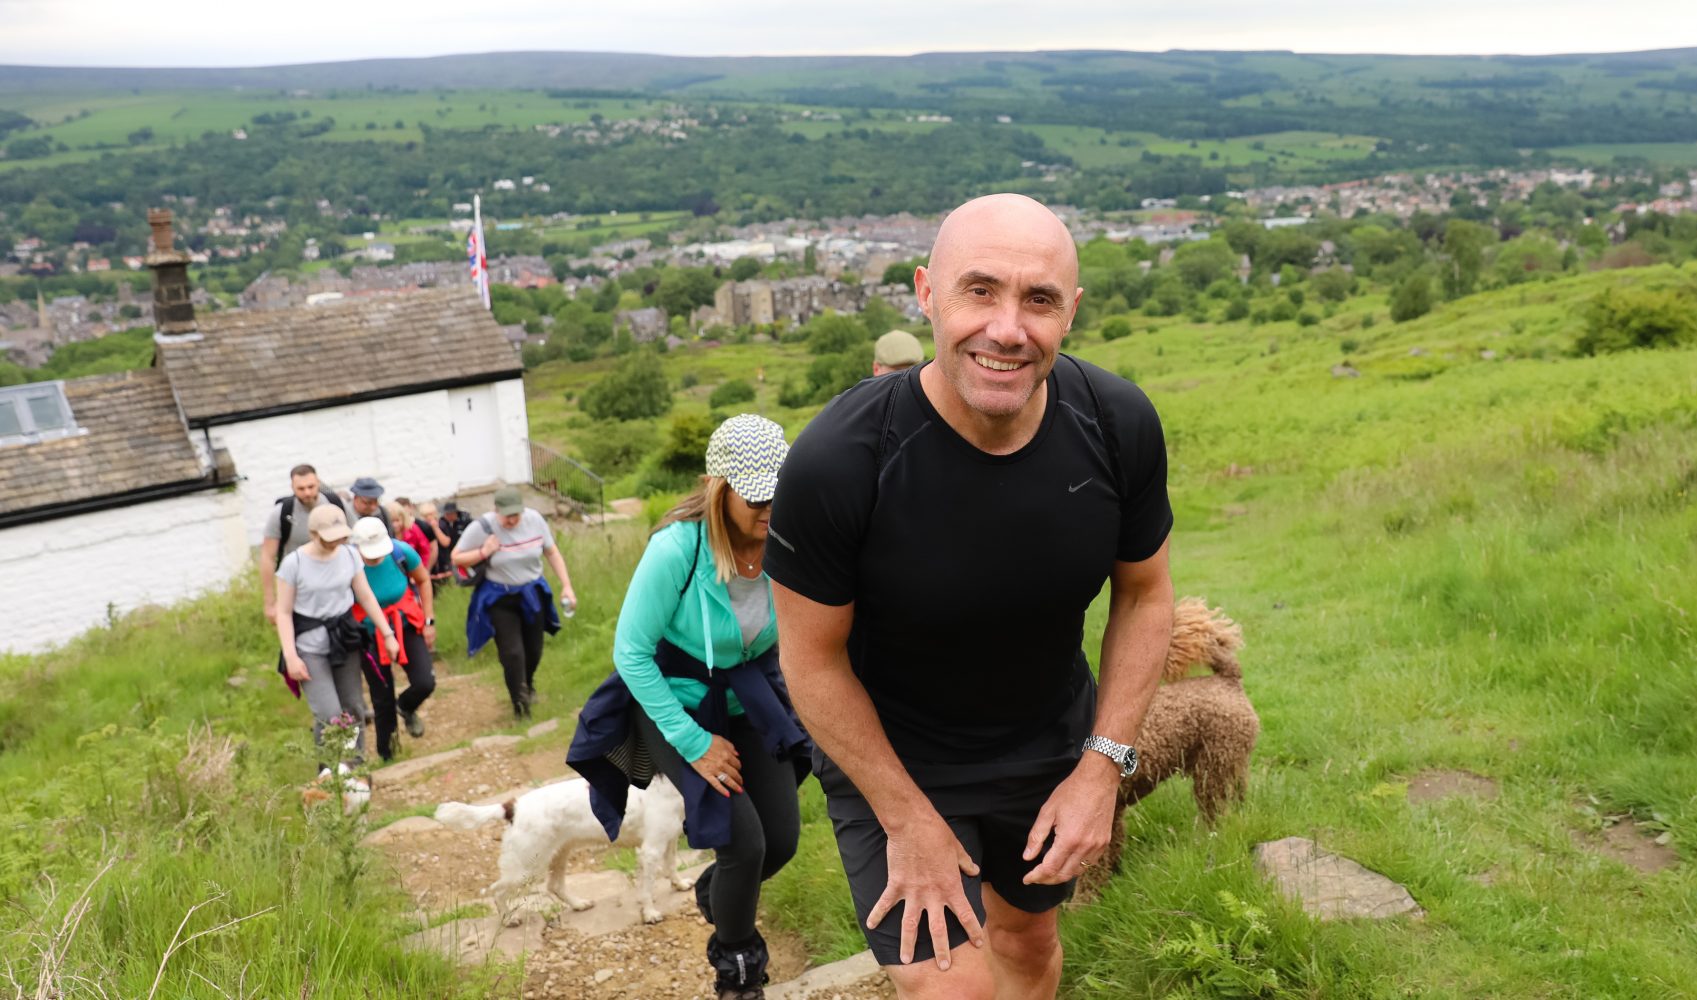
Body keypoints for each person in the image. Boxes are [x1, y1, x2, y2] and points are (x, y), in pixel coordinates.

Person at [766, 193, 1175, 1000]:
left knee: (1026, 943)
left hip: (1049, 742)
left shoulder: (1117, 423)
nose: (1008, 329)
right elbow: (808, 660)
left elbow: (1146, 594)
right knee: (955, 988)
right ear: (927, 293)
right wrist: (906, 817)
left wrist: (1102, 768)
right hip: (893, 754)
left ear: (1073, 312)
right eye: (979, 290)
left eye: (1040, 300)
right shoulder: (838, 462)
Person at [567, 414, 808, 1000]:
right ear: (717, 489)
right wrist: (694, 744)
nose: (769, 507)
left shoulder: (794, 538)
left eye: (780, 491)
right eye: (754, 497)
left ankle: (717, 894)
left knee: (780, 840)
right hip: (673, 698)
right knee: (742, 840)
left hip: (747, 690)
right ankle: (737, 970)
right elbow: (631, 652)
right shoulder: (677, 549)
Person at [274, 504, 401, 763]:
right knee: (329, 713)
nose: (335, 543)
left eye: (339, 537)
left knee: (353, 707)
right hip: (309, 645)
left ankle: (355, 769)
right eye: (328, 538)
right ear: (313, 534)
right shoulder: (293, 563)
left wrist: (387, 634)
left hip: (345, 639)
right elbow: (284, 612)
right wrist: (291, 656)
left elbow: (365, 595)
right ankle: (331, 769)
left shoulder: (349, 555)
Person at [454, 487, 576, 718]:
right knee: (512, 654)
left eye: (515, 515)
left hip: (531, 593)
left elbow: (551, 552)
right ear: (496, 511)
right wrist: (484, 551)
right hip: (499, 597)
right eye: (506, 516)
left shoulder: (535, 520)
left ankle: (527, 684)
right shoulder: (482, 526)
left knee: (534, 651)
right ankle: (520, 706)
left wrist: (567, 586)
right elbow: (456, 557)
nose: (511, 520)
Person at [349, 516, 438, 758]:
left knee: (424, 682)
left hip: (406, 623)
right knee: (382, 695)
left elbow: (423, 579)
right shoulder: (346, 563)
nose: (375, 557)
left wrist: (429, 620)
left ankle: (407, 707)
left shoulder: (401, 552)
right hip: (368, 634)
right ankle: (388, 753)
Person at [260, 463, 350, 624]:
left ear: (318, 483)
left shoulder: (336, 504)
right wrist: (269, 602)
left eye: (311, 486)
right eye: (301, 489)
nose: (307, 492)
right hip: (299, 589)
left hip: (336, 582)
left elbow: (354, 539)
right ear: (292, 487)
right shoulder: (281, 513)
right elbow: (267, 556)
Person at [416, 500, 456, 590]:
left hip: (444, 564)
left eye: (431, 514)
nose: (429, 518)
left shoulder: (442, 524)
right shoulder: (421, 528)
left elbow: (446, 542)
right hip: (430, 565)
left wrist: (435, 528)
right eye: (426, 516)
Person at [393, 497, 434, 571]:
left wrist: (423, 570)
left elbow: (429, 549)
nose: (395, 524)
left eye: (397, 520)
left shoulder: (420, 527)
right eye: (392, 521)